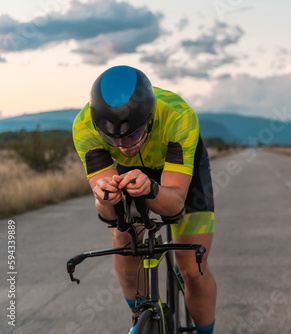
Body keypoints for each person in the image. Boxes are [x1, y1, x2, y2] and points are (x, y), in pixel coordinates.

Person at [72, 65, 217, 334]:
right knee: (122, 237)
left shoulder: (178, 115)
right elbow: (108, 214)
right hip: (132, 171)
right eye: (111, 138)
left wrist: (151, 189)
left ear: (149, 120)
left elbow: (174, 206)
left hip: (182, 170)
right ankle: (141, 316)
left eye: (134, 134)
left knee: (193, 268)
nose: (123, 146)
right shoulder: (83, 127)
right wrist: (105, 198)